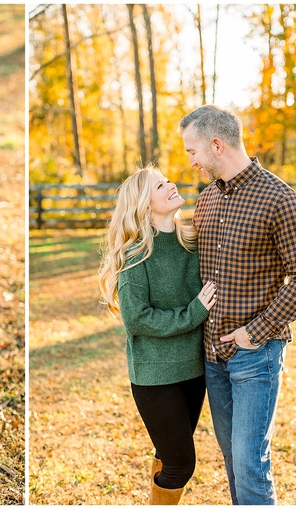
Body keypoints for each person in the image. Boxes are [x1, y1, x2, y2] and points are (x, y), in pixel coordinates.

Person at [179, 105, 296, 505]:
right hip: (211, 357)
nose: (190, 161)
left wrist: (252, 334)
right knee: (231, 460)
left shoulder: (281, 199)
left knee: (249, 465)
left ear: (216, 144)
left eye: (192, 151)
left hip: (255, 356)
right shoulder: (206, 200)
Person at [99, 165, 217, 505]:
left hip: (194, 371)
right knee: (181, 464)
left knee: (168, 455)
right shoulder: (137, 255)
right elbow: (137, 319)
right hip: (155, 376)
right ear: (143, 205)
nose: (171, 185)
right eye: (160, 185)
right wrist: (194, 311)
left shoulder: (193, 241)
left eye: (168, 180)